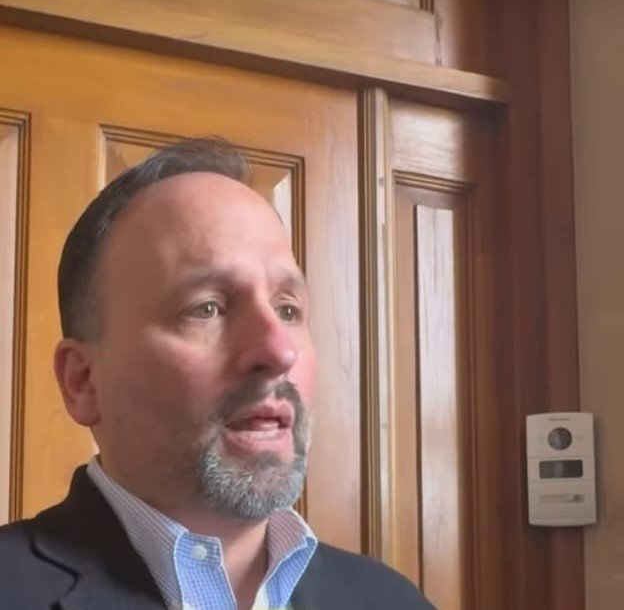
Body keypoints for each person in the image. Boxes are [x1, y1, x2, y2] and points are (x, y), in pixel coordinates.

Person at [0, 137, 435, 609]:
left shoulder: (392, 600)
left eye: (287, 309)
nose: (278, 351)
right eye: (206, 308)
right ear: (83, 381)